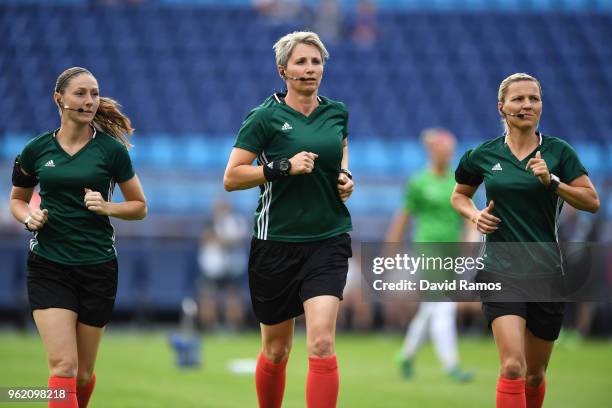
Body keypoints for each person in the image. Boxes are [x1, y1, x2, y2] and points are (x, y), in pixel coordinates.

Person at [451, 73, 600, 408]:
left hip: (547, 273)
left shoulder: (559, 152)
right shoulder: (482, 155)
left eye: (534, 98)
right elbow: (458, 196)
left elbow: (591, 202)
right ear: (502, 107)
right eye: (518, 99)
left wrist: (552, 182)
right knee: (512, 366)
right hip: (499, 271)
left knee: (534, 374)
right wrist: (474, 216)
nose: (527, 105)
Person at [223, 31, 354, 408]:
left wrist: (346, 178)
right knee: (277, 350)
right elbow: (232, 177)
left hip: (328, 239)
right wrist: (281, 167)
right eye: (301, 62)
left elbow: (340, 150)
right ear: (283, 70)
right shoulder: (264, 117)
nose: (310, 68)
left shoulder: (337, 112)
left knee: (321, 342)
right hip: (275, 243)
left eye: (316, 62)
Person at [9, 67, 147, 408]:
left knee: (83, 374)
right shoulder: (35, 150)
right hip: (49, 266)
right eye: (81, 93)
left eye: (94, 94)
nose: (89, 101)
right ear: (59, 98)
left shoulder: (112, 151)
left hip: (97, 267)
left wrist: (107, 207)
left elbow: (140, 206)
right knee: (64, 366)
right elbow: (16, 200)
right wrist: (30, 217)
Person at [385, 128, 474, 382]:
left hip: (452, 251)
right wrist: (391, 250)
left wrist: (470, 241)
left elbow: (469, 216)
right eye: (443, 150)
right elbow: (403, 218)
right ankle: (452, 365)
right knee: (444, 304)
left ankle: (406, 354)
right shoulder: (419, 182)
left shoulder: (457, 183)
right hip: (427, 247)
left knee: (432, 306)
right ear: (433, 152)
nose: (447, 155)